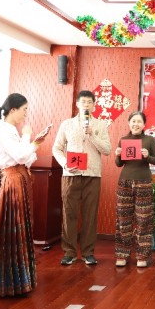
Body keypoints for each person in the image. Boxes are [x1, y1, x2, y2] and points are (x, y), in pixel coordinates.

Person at [0, 93, 51, 297]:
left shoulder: (11, 129)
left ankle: (20, 281)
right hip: (13, 180)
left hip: (20, 177)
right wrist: (28, 136)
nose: (25, 114)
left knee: (21, 227)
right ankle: (10, 282)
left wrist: (35, 142)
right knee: (14, 229)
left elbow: (27, 158)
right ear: (13, 110)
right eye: (24, 110)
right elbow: (22, 155)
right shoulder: (5, 130)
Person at [52, 90, 111, 266]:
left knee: (90, 215)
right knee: (69, 213)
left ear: (94, 106)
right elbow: (57, 148)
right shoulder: (67, 124)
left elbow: (107, 150)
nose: (86, 105)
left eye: (89, 102)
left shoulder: (100, 125)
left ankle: (88, 252)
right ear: (77, 104)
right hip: (71, 175)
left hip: (92, 175)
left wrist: (92, 134)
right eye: (83, 102)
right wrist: (65, 164)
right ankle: (69, 252)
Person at [113, 111, 155, 268]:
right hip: (124, 182)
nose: (136, 124)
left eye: (139, 121)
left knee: (144, 219)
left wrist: (147, 156)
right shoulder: (123, 140)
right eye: (133, 121)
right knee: (123, 219)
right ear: (129, 123)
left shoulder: (149, 140)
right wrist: (117, 155)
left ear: (144, 124)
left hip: (144, 182)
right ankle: (122, 254)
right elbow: (119, 164)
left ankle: (142, 256)